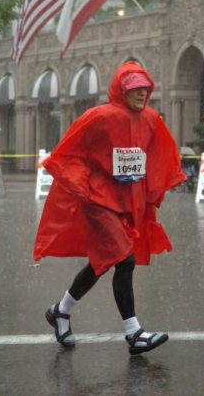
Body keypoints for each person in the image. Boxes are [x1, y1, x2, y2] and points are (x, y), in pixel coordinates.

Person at [33, 61, 186, 355]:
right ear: (121, 90)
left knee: (104, 261)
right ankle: (134, 333)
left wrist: (155, 190)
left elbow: (159, 155)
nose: (142, 93)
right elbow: (68, 151)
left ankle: (60, 311)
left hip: (129, 202)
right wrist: (84, 186)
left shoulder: (152, 119)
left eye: (145, 87)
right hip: (99, 200)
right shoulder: (99, 116)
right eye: (134, 88)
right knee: (125, 259)